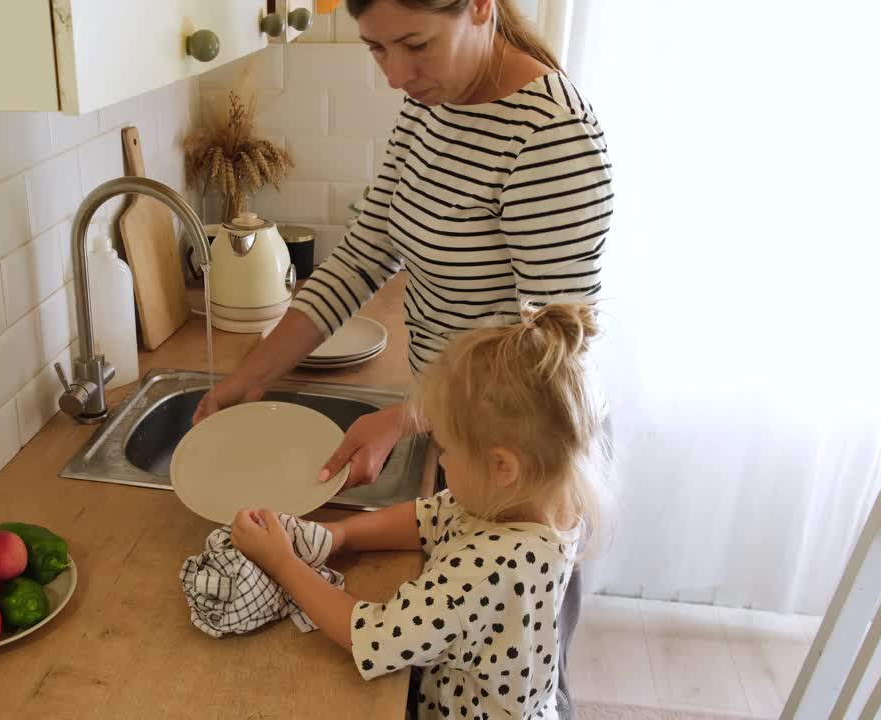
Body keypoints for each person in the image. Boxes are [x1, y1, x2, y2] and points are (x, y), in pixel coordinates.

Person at [194, 0, 611, 710]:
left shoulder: (552, 140)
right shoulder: (435, 101)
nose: (396, 75)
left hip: (520, 456)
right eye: (376, 49)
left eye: (414, 45)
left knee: (519, 686)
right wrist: (252, 372)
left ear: (480, 8)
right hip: (456, 432)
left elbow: (544, 362)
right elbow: (365, 251)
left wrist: (406, 417)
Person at [231, 304, 608, 720]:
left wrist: (282, 564)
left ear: (503, 466)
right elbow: (428, 517)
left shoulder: (486, 571)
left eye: (446, 449)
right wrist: (341, 536)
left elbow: (373, 637)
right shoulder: (536, 506)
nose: (442, 462)